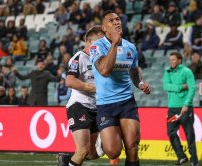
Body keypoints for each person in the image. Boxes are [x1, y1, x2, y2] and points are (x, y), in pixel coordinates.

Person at [89, 11, 150, 166]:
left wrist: (141, 84)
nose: (116, 22)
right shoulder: (97, 47)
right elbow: (104, 70)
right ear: (104, 28)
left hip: (126, 102)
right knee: (113, 151)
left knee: (132, 147)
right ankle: (102, 142)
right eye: (111, 21)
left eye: (118, 19)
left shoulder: (131, 47)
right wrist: (115, 44)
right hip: (106, 105)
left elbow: (134, 72)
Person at [58, 26, 104, 166]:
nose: (103, 45)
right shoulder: (79, 58)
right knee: (83, 150)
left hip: (96, 109)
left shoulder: (100, 59)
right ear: (89, 41)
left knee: (94, 153)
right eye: (100, 42)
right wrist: (92, 88)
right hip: (79, 107)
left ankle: (66, 160)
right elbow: (70, 81)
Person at [163, 52, 198, 166]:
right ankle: (182, 156)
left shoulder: (187, 72)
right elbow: (165, 86)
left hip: (185, 108)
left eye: (173, 60)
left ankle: (194, 160)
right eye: (170, 60)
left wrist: (186, 104)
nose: (171, 62)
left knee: (189, 134)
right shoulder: (167, 71)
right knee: (171, 133)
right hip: (172, 109)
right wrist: (180, 87)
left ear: (180, 60)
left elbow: (192, 88)